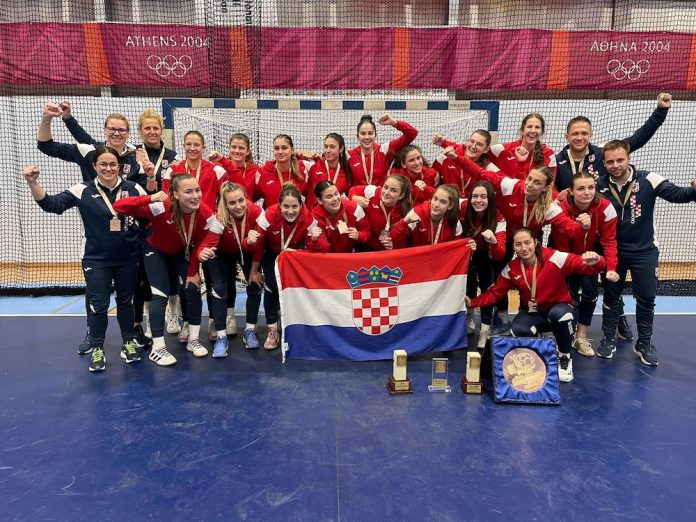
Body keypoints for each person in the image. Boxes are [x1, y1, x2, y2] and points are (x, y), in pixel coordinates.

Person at [22, 149, 146, 372]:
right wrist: (33, 182)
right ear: (95, 166)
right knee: (98, 305)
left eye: (112, 164)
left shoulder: (134, 188)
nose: (108, 168)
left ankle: (128, 342)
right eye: (103, 164)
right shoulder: (82, 190)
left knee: (126, 302)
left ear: (119, 166)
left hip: (128, 257)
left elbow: (151, 213)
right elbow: (52, 204)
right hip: (96, 259)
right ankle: (97, 347)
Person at [36, 102, 144, 354]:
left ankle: (133, 332)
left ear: (128, 133)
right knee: (97, 296)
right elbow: (46, 146)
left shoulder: (136, 157)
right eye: (112, 129)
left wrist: (148, 174)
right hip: (97, 231)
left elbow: (146, 197)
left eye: (122, 130)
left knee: (130, 294)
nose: (117, 133)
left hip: (128, 241)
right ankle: (93, 336)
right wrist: (50, 119)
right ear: (105, 130)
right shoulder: (89, 151)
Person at [446, 148, 588, 334]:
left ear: (546, 187)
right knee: (499, 276)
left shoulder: (549, 207)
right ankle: (502, 317)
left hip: (529, 242)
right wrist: (456, 158)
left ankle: (534, 315)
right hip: (507, 237)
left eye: (537, 182)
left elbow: (570, 229)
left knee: (534, 276)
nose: (530, 184)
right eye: (529, 178)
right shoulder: (511, 186)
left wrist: (583, 226)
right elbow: (481, 173)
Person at [595, 140, 696, 366]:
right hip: (613, 252)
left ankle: (644, 343)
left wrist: (693, 191)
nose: (615, 165)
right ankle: (609, 338)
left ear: (629, 159)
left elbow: (677, 194)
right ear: (604, 163)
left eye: (620, 160)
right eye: (610, 162)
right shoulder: (598, 185)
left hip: (645, 252)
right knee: (611, 295)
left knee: (647, 297)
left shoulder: (649, 179)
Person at [466, 228, 607, 383]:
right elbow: (495, 293)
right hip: (534, 313)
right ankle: (536, 357)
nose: (524, 248)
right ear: (513, 247)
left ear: (536, 242)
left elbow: (588, 266)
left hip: (560, 309)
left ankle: (564, 356)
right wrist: (473, 303)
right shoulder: (512, 268)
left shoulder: (555, 257)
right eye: (518, 244)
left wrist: (597, 260)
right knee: (518, 330)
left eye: (527, 242)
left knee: (561, 316)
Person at [113, 174, 224, 366]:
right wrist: (150, 197)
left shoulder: (204, 213)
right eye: (188, 191)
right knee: (160, 294)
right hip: (154, 250)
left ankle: (193, 340)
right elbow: (119, 206)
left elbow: (208, 238)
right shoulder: (160, 207)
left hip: (180, 251)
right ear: (176, 195)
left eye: (197, 190)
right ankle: (157, 348)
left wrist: (193, 271)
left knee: (192, 288)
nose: (195, 196)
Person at [161, 131, 229, 341]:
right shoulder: (173, 170)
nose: (192, 148)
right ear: (183, 146)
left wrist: (218, 218)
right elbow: (166, 199)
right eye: (188, 144)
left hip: (207, 232)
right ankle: (187, 322)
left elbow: (227, 196)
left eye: (197, 144)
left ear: (203, 147)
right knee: (188, 281)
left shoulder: (216, 170)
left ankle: (214, 322)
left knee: (213, 279)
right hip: (183, 233)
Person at [244, 184, 329, 350]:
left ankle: (294, 323)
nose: (290, 211)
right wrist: (254, 270)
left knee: (296, 288)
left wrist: (315, 240)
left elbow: (322, 248)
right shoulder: (268, 215)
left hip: (293, 254)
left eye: (295, 206)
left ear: (301, 205)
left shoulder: (309, 219)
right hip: (271, 252)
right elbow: (257, 245)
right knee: (271, 286)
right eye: (286, 206)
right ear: (279, 205)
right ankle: (272, 328)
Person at [551, 171, 619, 357]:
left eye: (591, 187)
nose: (587, 192)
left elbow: (609, 241)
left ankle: (581, 336)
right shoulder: (560, 207)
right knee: (566, 296)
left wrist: (611, 268)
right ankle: (564, 337)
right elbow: (562, 238)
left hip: (589, 255)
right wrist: (582, 227)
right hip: (563, 254)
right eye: (581, 188)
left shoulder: (606, 208)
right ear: (571, 190)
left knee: (590, 294)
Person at [554, 93, 672, 192]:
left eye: (584, 133)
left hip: (601, 211)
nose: (580, 138)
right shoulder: (556, 161)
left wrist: (661, 111)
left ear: (591, 136)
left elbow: (638, 139)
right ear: (567, 137)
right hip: (567, 212)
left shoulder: (603, 153)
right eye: (575, 134)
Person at [130, 109, 179, 343]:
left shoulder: (173, 156)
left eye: (155, 128)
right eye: (147, 128)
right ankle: (149, 318)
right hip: (143, 221)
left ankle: (174, 314)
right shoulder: (133, 156)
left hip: (167, 222)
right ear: (140, 130)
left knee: (172, 270)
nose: (152, 132)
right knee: (146, 274)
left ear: (162, 130)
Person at [207, 133, 259, 337]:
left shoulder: (254, 170)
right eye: (233, 147)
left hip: (247, 229)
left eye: (241, 148)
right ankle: (225, 319)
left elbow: (242, 185)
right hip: (226, 227)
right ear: (229, 148)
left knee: (253, 280)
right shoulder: (219, 169)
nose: (237, 151)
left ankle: (251, 328)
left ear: (248, 151)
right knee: (223, 282)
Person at [205, 182, 264, 356]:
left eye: (241, 200)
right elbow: (209, 244)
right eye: (232, 203)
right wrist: (194, 269)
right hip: (222, 252)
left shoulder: (257, 213)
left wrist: (254, 271)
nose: (238, 206)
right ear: (224, 204)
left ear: (246, 198)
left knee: (255, 284)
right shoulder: (218, 218)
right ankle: (221, 337)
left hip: (248, 249)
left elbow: (260, 246)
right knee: (219, 289)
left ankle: (250, 330)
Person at [460, 180, 507, 348]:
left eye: (483, 197)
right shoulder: (462, 207)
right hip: (465, 254)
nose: (478, 200)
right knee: (468, 284)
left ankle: (485, 329)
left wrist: (493, 242)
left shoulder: (498, 217)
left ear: (490, 199)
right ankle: (469, 317)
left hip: (486, 255)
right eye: (475, 196)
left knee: (488, 287)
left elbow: (500, 254)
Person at [348, 114, 418, 190]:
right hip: (357, 196)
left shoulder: (385, 150)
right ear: (357, 137)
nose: (367, 137)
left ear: (375, 135)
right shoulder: (349, 155)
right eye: (363, 133)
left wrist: (394, 123)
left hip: (382, 196)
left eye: (370, 133)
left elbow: (412, 133)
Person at [350, 174, 412, 251]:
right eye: (385, 187)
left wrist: (393, 245)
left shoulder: (404, 212)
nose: (386, 192)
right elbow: (353, 190)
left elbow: (402, 242)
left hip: (387, 250)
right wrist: (354, 197)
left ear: (401, 196)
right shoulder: (372, 191)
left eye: (393, 190)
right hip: (366, 244)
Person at [487, 113, 556, 180]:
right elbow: (483, 154)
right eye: (529, 127)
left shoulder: (549, 155)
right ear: (522, 131)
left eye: (537, 127)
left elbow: (550, 184)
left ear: (542, 132)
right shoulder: (503, 149)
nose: (533, 130)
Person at [390, 184, 463, 248]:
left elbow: (457, 250)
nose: (436, 204)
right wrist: (404, 222)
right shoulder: (416, 214)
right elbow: (395, 242)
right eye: (435, 199)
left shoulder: (455, 223)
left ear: (450, 206)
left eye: (443, 202)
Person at [432, 129, 498, 197]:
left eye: (479, 144)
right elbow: (432, 177)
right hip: (447, 201)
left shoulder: (488, 166)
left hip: (471, 203)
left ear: (486, 149)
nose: (473, 146)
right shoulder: (447, 156)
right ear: (467, 142)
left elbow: (498, 185)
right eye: (472, 141)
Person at [253, 134, 311, 207]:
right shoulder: (262, 173)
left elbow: (311, 195)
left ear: (292, 150)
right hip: (271, 214)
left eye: (284, 148)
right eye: (276, 148)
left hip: (293, 213)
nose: (280, 152)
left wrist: (315, 157)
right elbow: (252, 197)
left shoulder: (302, 171)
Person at [312, 180, 370, 253]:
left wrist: (358, 235)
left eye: (336, 194)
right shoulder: (315, 217)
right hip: (329, 255)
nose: (335, 199)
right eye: (329, 197)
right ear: (320, 201)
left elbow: (367, 232)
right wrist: (316, 240)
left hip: (352, 253)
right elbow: (324, 248)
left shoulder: (355, 208)